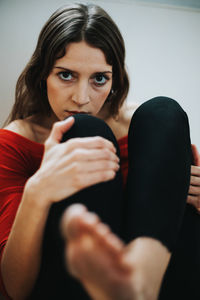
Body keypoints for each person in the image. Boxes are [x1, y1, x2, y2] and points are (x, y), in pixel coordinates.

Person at [0, 3, 200, 300]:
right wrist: (38, 191)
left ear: (114, 80)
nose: (82, 98)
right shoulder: (15, 142)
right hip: (70, 285)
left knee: (163, 111)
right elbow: (14, 290)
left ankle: (140, 280)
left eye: (99, 79)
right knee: (83, 130)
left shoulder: (148, 130)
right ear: (43, 75)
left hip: (158, 286)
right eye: (66, 75)